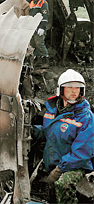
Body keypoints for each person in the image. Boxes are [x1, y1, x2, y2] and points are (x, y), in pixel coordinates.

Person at [33, 69, 94, 203]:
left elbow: (82, 152)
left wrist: (59, 170)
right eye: (70, 87)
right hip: (54, 161)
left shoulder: (85, 117)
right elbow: (48, 132)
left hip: (76, 165)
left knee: (63, 184)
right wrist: (33, 131)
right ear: (60, 90)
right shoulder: (51, 110)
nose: (74, 91)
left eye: (77, 88)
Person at [26, 0, 49, 67]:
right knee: (33, 44)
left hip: (39, 27)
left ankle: (45, 61)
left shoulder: (43, 3)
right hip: (33, 27)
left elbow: (45, 16)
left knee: (39, 43)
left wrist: (42, 27)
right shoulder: (32, 3)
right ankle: (38, 61)